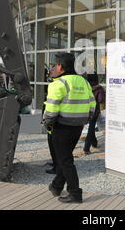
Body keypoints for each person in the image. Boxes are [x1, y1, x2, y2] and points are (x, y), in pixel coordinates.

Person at [42, 53, 96, 204]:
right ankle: (56, 186)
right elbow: (92, 103)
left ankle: (75, 193)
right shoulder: (83, 81)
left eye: (54, 65)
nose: (53, 67)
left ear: (60, 66)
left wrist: (48, 123)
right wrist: (87, 118)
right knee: (64, 157)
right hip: (77, 126)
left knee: (65, 161)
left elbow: (51, 108)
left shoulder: (58, 83)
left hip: (62, 126)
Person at [83, 74, 105, 155]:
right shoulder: (98, 89)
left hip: (85, 109)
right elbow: (101, 100)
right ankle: (86, 148)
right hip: (94, 110)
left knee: (91, 128)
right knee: (91, 128)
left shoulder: (85, 87)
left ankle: (94, 143)